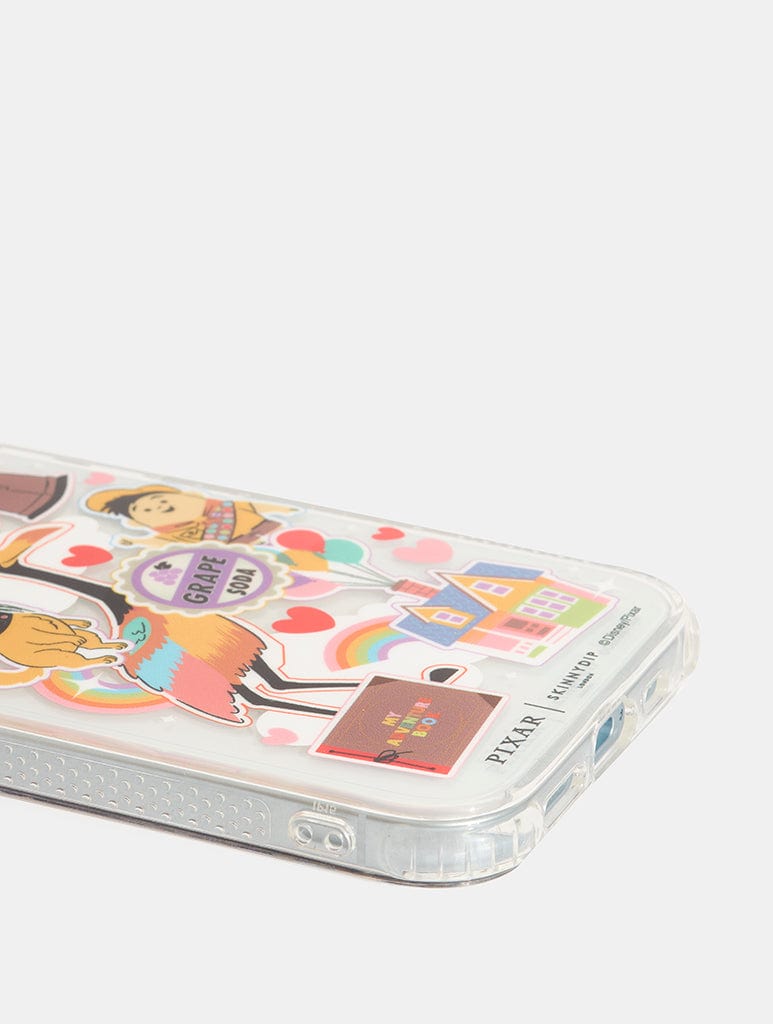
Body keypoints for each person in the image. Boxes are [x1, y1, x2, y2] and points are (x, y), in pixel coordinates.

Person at [85, 484, 295, 548]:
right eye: (146, 511)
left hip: (273, 530)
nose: (159, 506)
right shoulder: (177, 534)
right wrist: (137, 541)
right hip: (240, 553)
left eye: (159, 499)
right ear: (136, 522)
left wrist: (285, 510)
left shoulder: (225, 505)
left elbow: (258, 505)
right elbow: (159, 542)